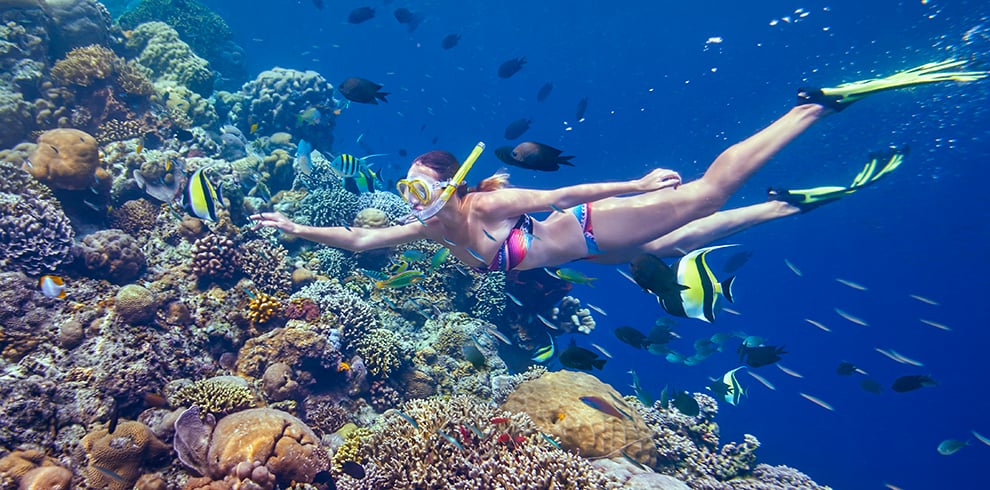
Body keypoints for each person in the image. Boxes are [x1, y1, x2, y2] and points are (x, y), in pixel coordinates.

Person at [251, 60, 986, 270]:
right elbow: (357, 240)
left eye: (419, 185)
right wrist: (293, 227)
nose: (408, 198)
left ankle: (813, 106)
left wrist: (636, 182)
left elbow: (567, 189)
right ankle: (793, 203)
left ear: (451, 184)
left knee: (707, 191)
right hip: (607, 250)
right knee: (679, 243)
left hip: (598, 225)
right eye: (403, 188)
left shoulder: (482, 208)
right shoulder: (432, 234)